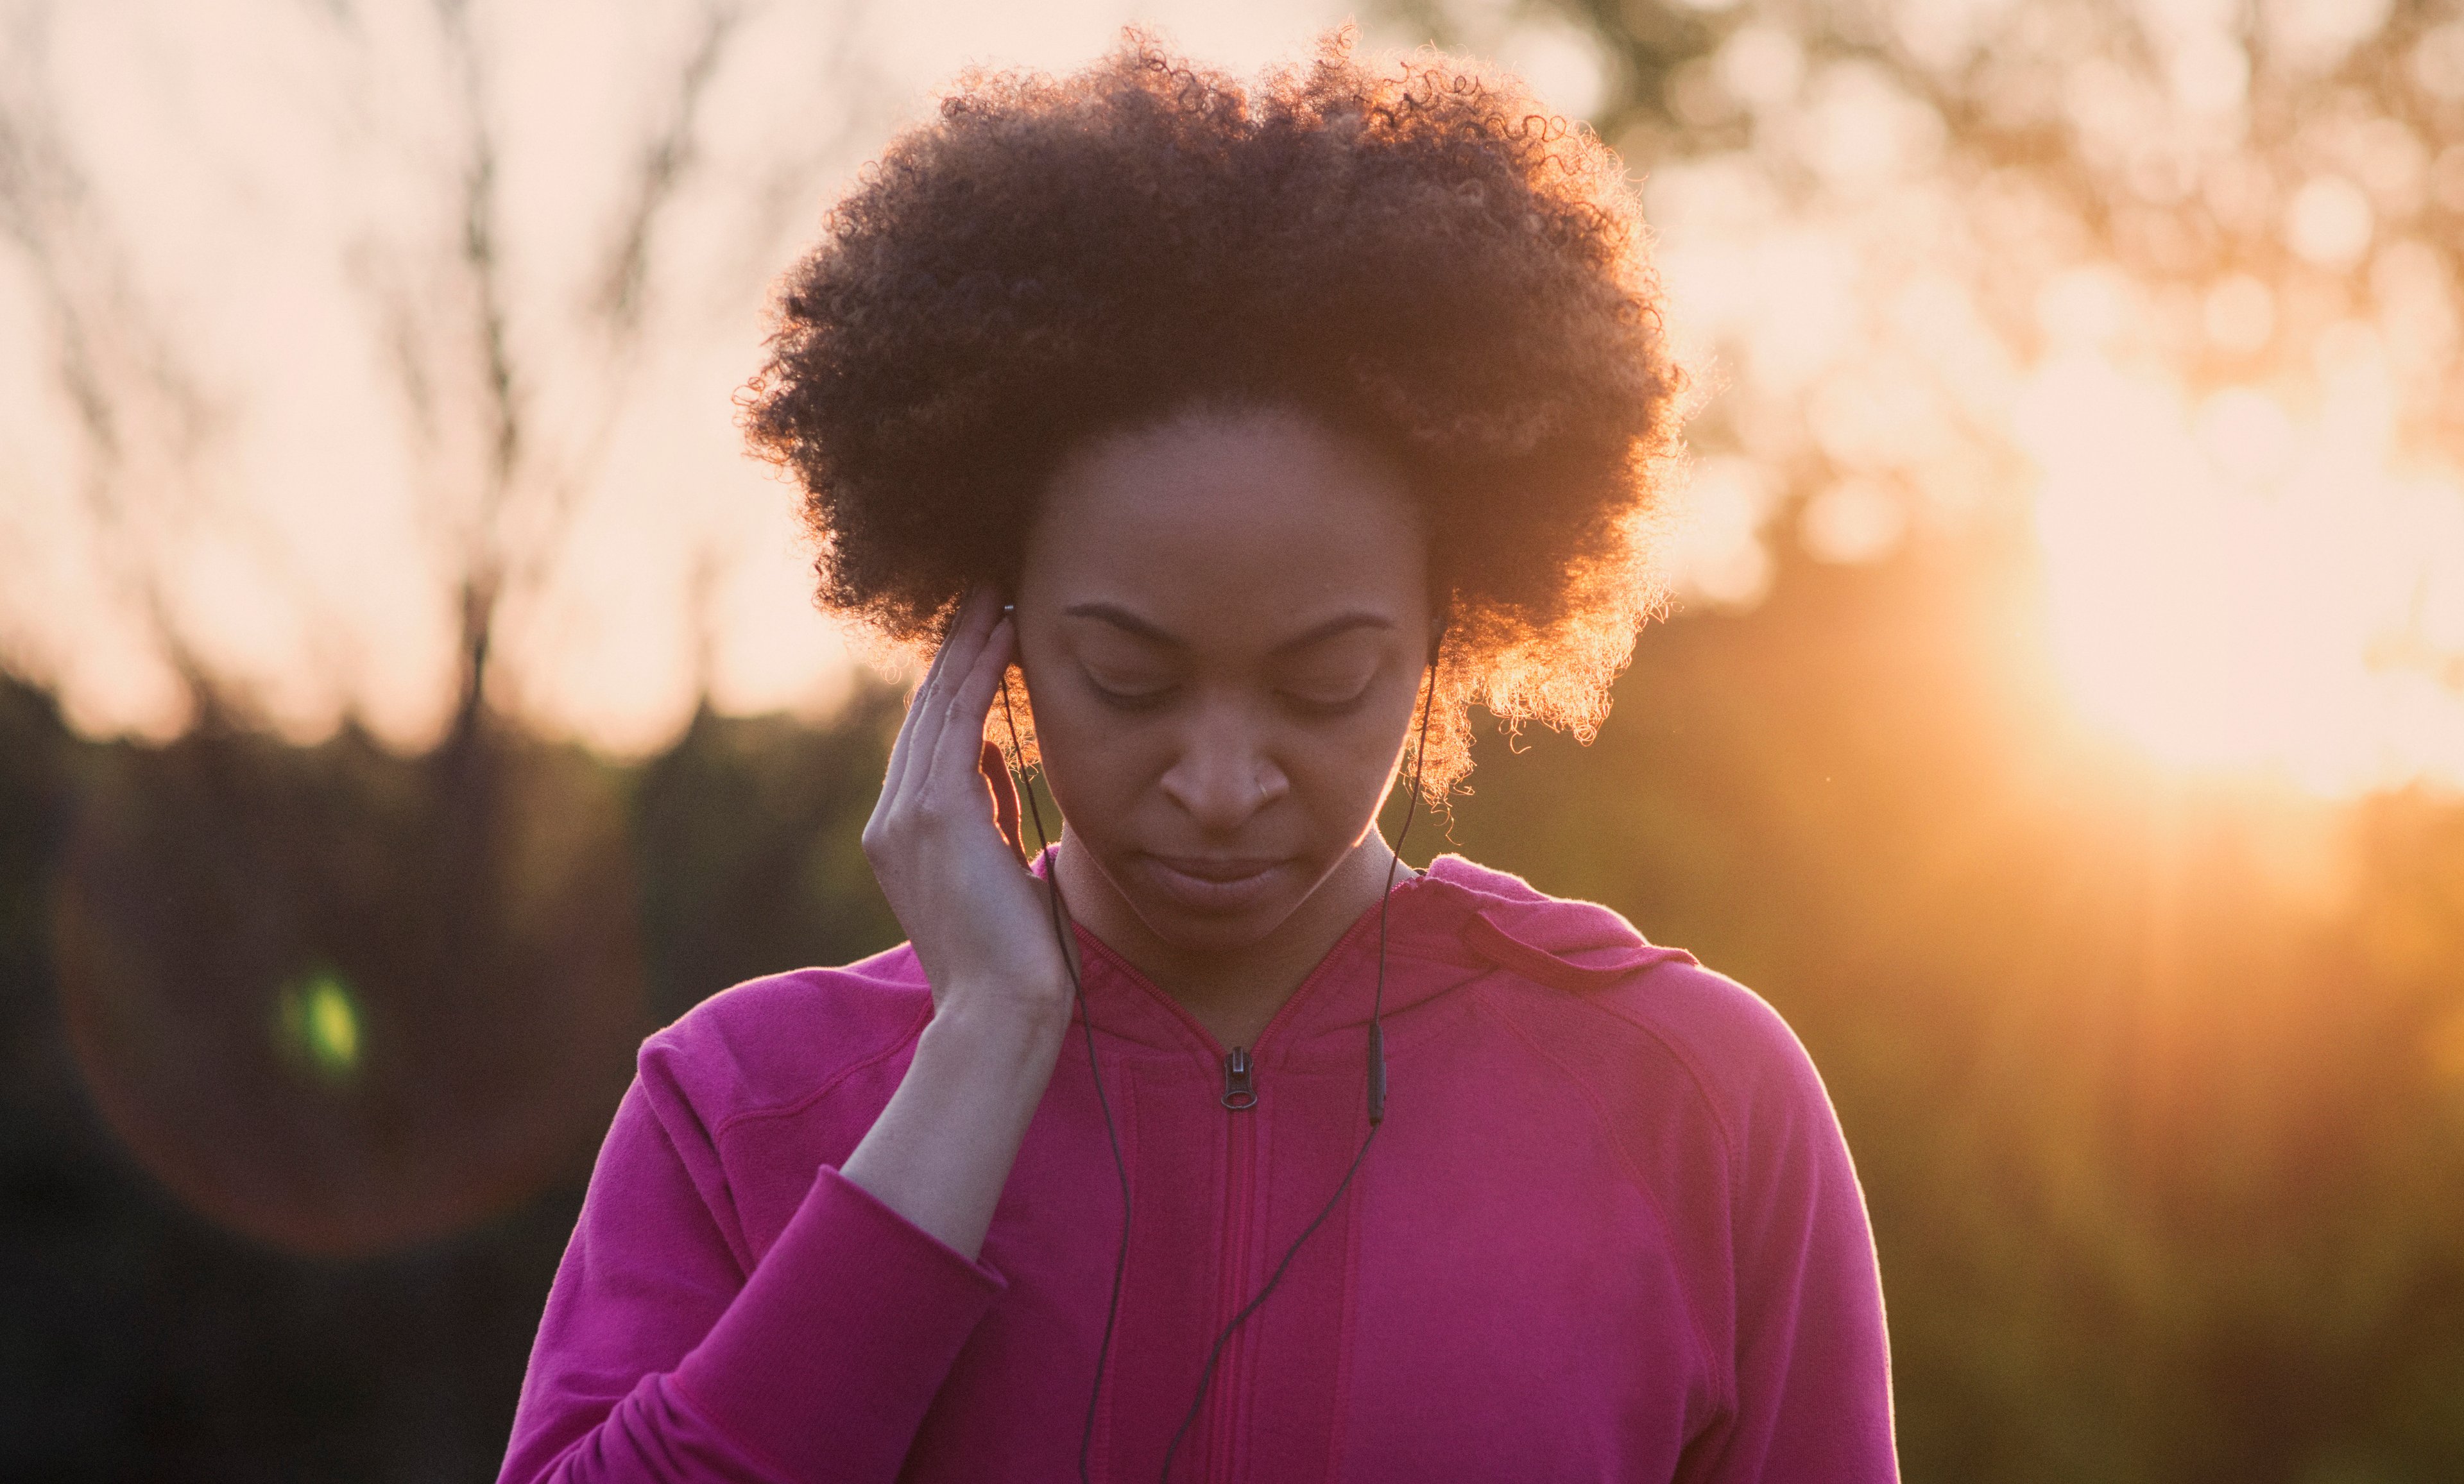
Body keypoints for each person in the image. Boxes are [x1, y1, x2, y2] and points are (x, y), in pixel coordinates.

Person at [497, 28, 1895, 1484]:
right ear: (997, 631)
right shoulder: (744, 1104)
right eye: (1131, 677)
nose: (1221, 783)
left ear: (1451, 622)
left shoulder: (1700, 1100)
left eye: (1326, 681)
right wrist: (982, 1045)